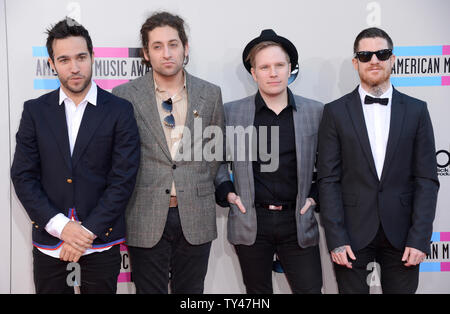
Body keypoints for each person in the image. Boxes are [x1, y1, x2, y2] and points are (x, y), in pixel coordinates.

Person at [11, 17, 140, 294]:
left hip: (101, 240)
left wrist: (85, 233)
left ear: (93, 57)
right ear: (52, 64)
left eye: (81, 57)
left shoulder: (120, 110)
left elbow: (123, 178)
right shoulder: (35, 111)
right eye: (65, 59)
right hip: (50, 242)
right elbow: (23, 176)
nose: (75, 67)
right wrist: (62, 228)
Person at [317, 27, 439, 294]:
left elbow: (427, 180)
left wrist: (420, 238)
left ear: (392, 59)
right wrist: (336, 238)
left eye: (382, 54)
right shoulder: (335, 112)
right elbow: (327, 180)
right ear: (355, 62)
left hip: (403, 234)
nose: (374, 60)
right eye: (365, 55)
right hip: (351, 234)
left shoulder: (418, 111)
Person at [112, 11, 224, 294]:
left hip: (195, 213)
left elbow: (214, 155)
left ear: (185, 48)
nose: (166, 53)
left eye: (173, 44)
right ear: (146, 53)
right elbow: (119, 158)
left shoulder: (211, 94)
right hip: (144, 212)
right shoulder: (124, 95)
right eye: (157, 46)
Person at [215, 29, 323, 294]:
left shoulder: (316, 111)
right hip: (250, 220)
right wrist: (227, 193)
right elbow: (216, 161)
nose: (272, 73)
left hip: (298, 220)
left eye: (279, 65)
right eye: (264, 67)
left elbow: (331, 165)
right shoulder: (231, 112)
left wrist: (315, 197)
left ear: (290, 69)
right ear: (254, 73)